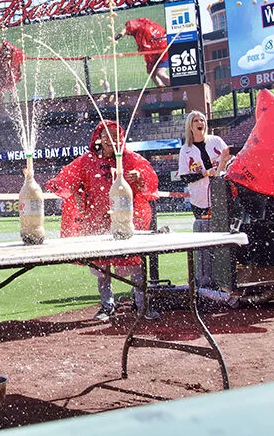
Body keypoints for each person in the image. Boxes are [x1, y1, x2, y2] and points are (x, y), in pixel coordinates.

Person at [46, 120, 159, 321]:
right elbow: (66, 181)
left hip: (125, 220)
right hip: (97, 220)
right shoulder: (87, 161)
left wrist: (139, 176)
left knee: (134, 264)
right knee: (102, 267)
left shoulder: (132, 159)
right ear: (99, 138)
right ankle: (107, 306)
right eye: (107, 135)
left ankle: (141, 304)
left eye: (116, 135)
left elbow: (150, 183)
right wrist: (77, 192)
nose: (112, 139)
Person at [177, 110, 229, 226]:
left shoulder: (216, 141)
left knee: (224, 228)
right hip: (199, 200)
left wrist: (225, 162)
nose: (200, 122)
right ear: (190, 125)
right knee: (204, 230)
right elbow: (184, 178)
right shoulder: (185, 149)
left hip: (222, 194)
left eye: (202, 120)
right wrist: (204, 173)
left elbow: (230, 161)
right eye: (196, 120)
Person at [113, 17, 170, 85]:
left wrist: (119, 35)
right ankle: (161, 89)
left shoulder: (137, 25)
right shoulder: (149, 25)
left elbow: (127, 27)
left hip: (161, 51)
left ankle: (173, 88)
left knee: (159, 72)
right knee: (152, 73)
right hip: (160, 49)